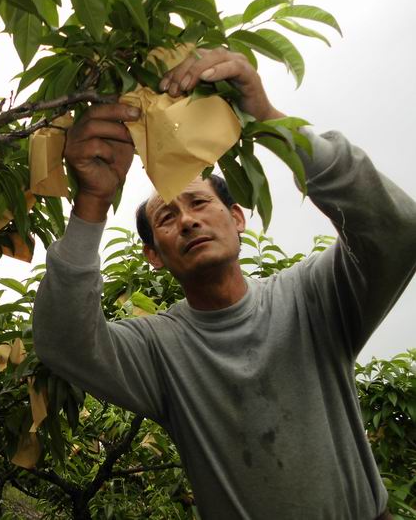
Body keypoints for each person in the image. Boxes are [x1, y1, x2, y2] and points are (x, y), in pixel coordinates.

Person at [33, 47, 416, 519]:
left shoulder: (313, 297)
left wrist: (270, 120)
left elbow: (395, 228)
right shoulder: (159, 349)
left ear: (237, 218)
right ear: (153, 255)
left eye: (198, 203)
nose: (188, 221)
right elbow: (63, 342)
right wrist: (91, 202)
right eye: (167, 218)